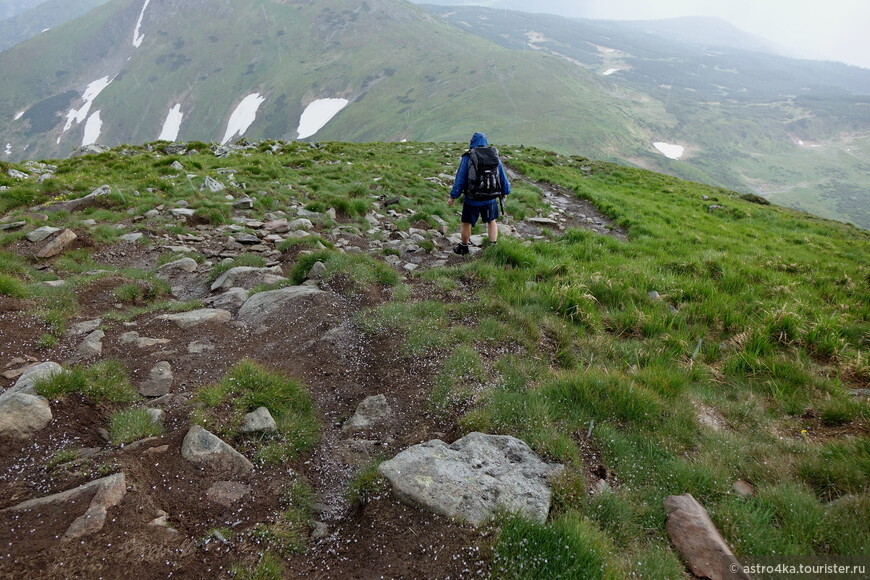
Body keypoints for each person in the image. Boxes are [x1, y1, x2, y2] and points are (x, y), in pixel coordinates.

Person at [448, 132, 511, 255]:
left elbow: (460, 178)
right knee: (491, 221)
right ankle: (493, 246)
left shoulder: (468, 157)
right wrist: (505, 191)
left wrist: (453, 196)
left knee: (466, 222)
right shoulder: (494, 156)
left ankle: (464, 247)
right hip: (490, 198)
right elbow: (501, 175)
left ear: (472, 143)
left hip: (472, 199)